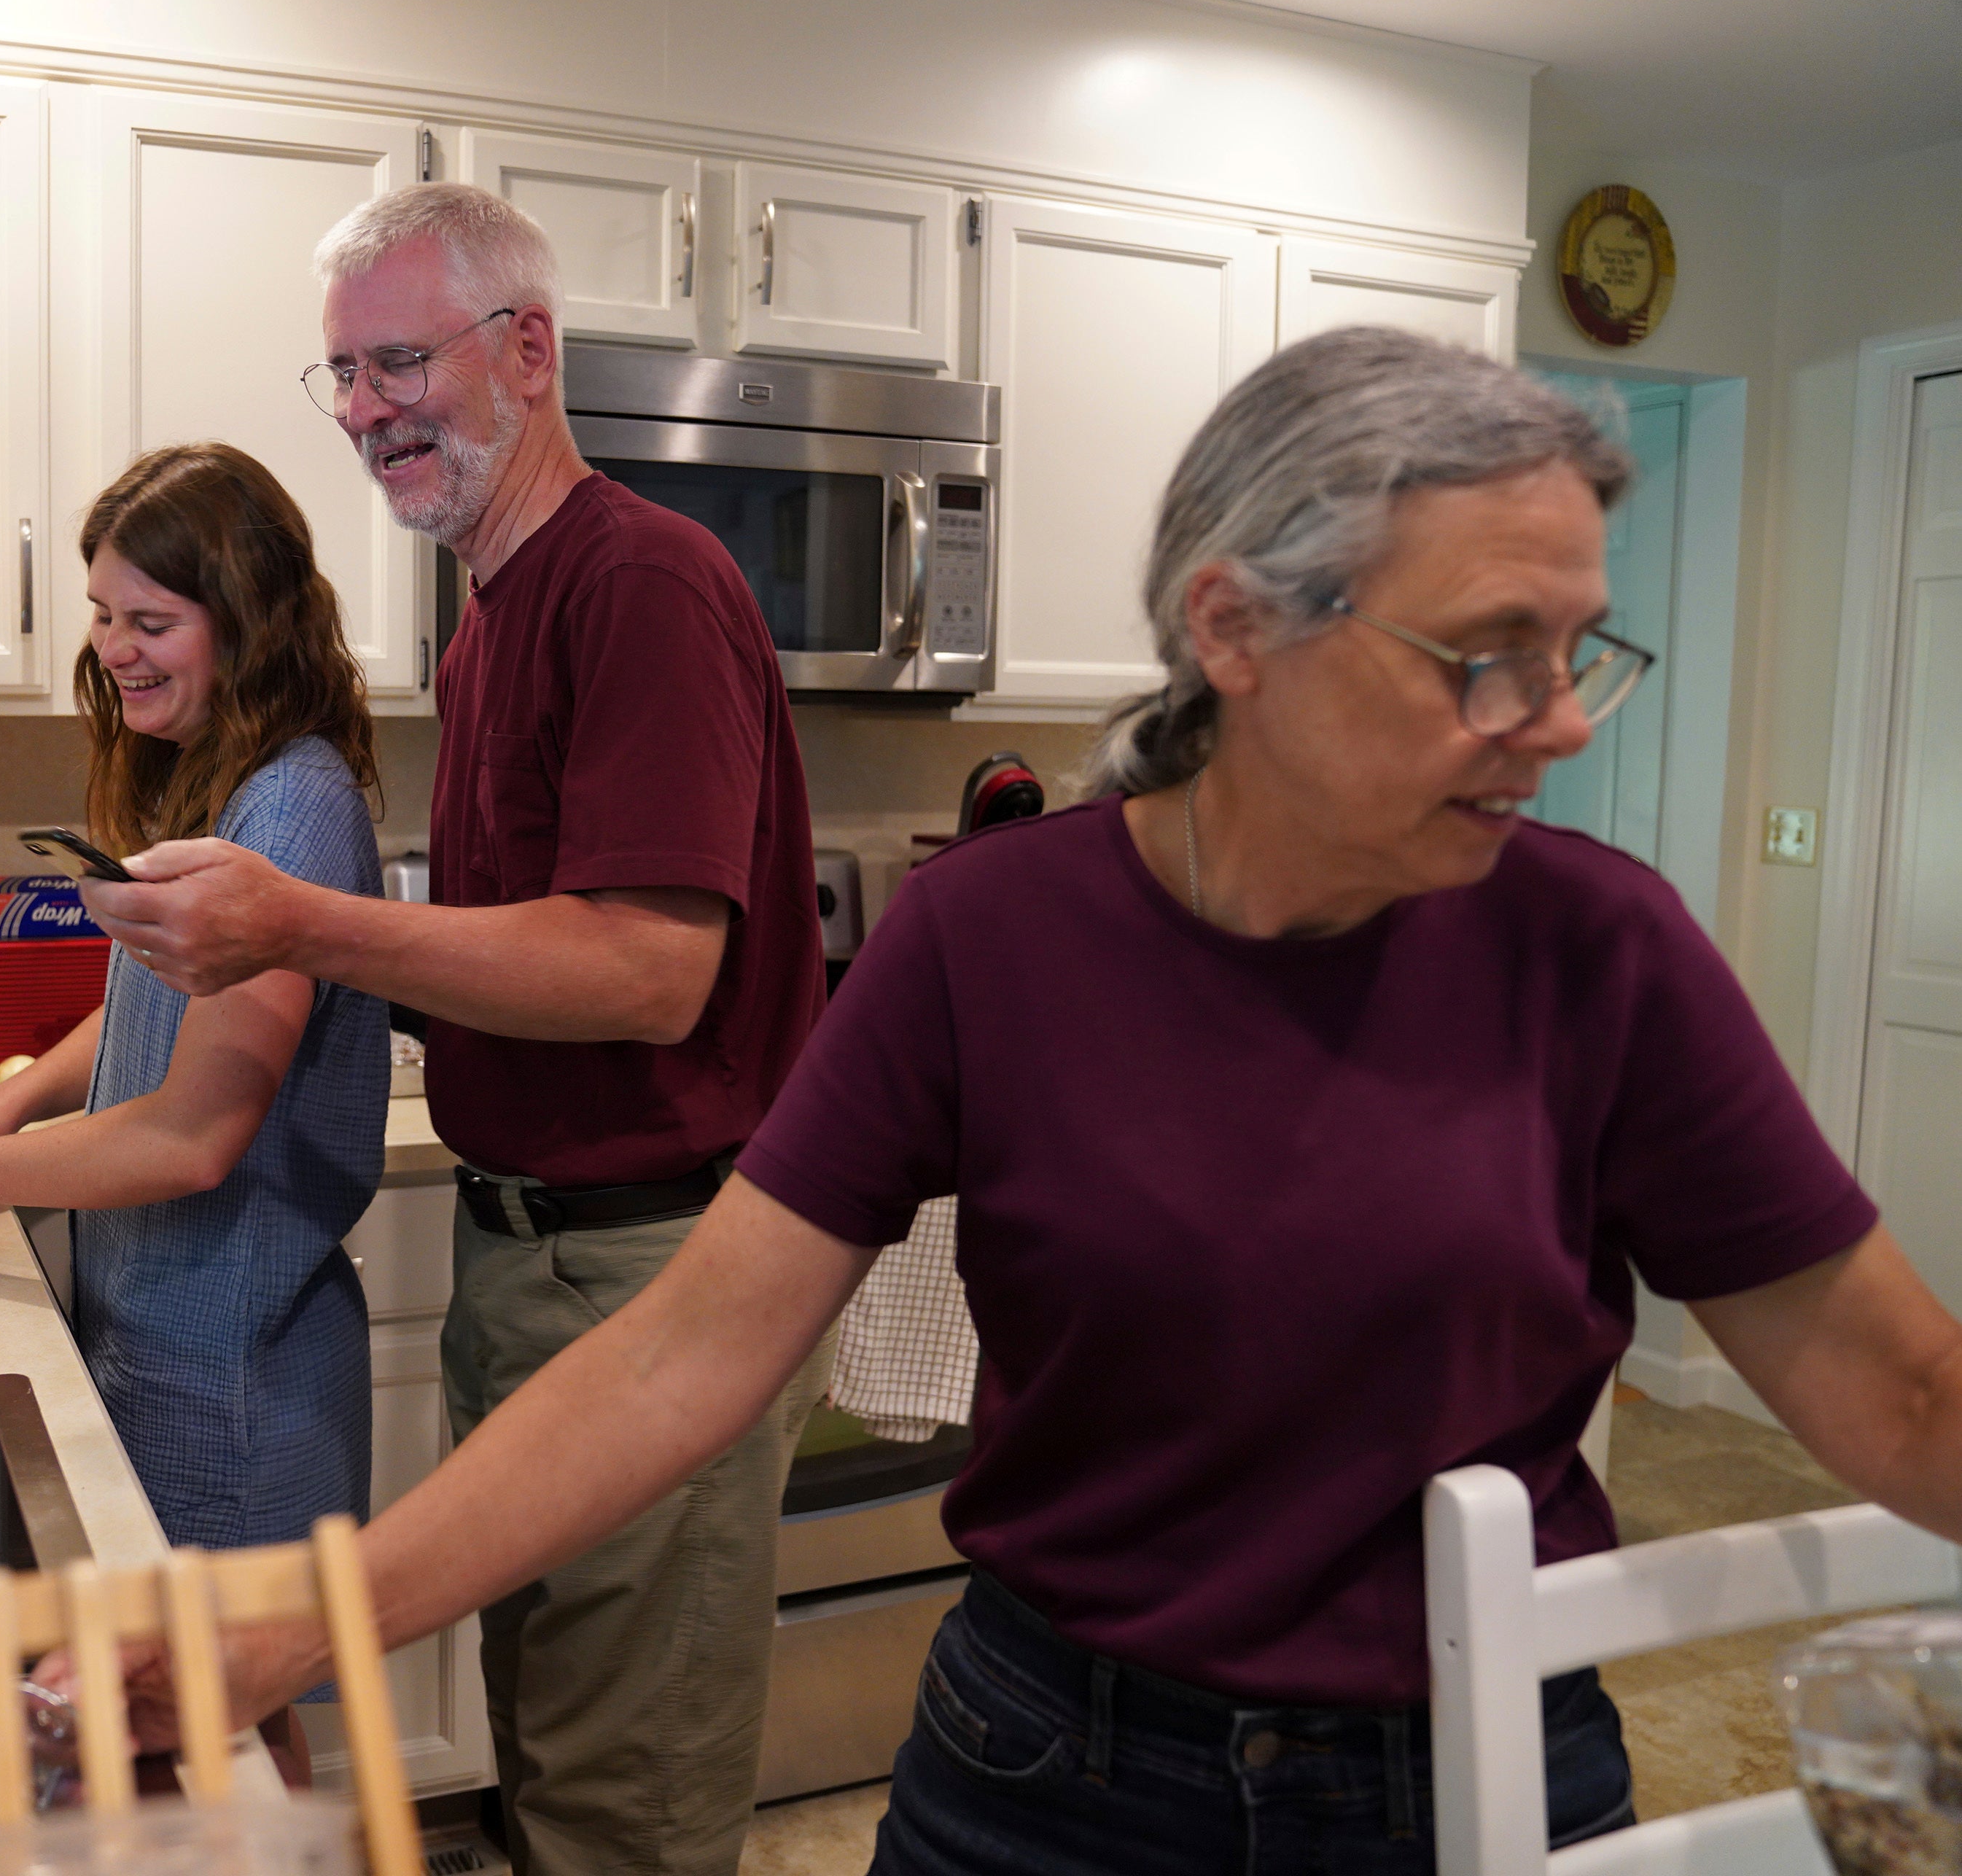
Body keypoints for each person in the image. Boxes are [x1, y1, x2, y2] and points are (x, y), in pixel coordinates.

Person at [105, 325, 1962, 1872]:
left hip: (1473, 1782)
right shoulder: (998, 935)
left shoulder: (1602, 950)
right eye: (1489, 654)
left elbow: (1898, 1388)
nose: (1556, 718)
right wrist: (303, 1611)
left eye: (1580, 654)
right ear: (1233, 630)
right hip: (1044, 1782)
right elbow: (687, 1352)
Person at [72, 184, 830, 1876]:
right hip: (532, 1256)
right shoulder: (492, 612)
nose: (363, 411)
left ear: (531, 348)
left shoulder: (640, 583)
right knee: (555, 1744)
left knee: (621, 1802)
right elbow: (522, 950)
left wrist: (294, 924)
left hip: (659, 1273)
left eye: (399, 359)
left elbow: (651, 972)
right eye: (339, 373)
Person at [0, 442, 386, 1782]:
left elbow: (194, 1130)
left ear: (245, 624)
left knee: (227, 1756)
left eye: (150, 622)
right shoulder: (214, 778)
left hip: (243, 1382)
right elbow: (150, 1009)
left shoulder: (292, 811)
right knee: (186, 1744)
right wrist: (12, 1102)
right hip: (168, 1350)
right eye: (102, 615)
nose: (115, 651)